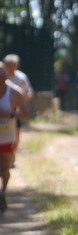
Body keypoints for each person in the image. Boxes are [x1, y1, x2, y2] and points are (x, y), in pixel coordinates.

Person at [0, 63, 29, 212]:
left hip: (7, 138)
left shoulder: (14, 92)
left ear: (5, 77)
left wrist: (11, 115)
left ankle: (3, 192)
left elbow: (25, 113)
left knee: (4, 169)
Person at [4, 54, 34, 162]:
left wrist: (20, 98)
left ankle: (11, 155)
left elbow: (29, 93)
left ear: (16, 65)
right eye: (7, 65)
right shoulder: (2, 75)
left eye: (12, 65)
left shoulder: (21, 78)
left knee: (15, 134)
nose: (9, 67)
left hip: (15, 111)